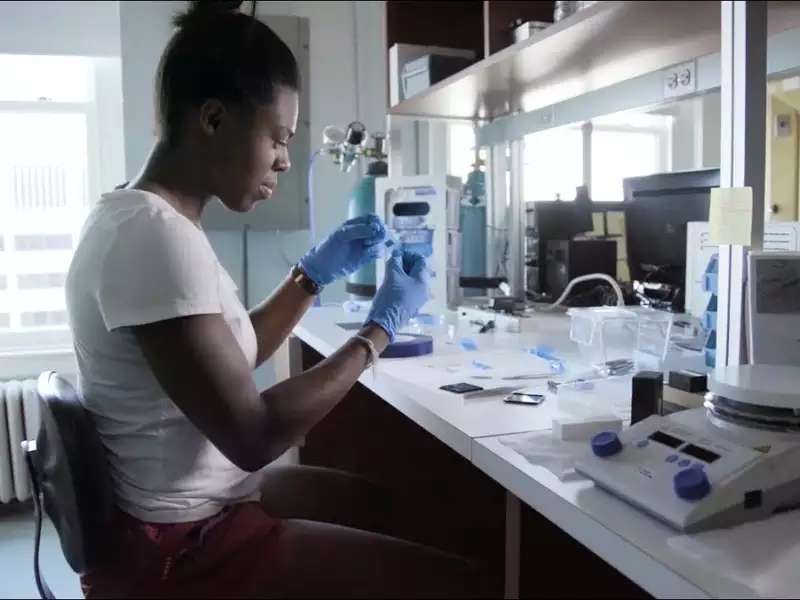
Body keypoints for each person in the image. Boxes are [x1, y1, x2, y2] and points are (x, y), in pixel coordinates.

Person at [65, 1, 485, 598]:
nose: (286, 160)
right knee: (459, 582)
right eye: (277, 138)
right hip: (180, 552)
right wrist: (379, 332)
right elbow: (255, 435)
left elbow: (227, 361)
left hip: (201, 506)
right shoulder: (152, 238)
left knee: (387, 504)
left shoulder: (140, 219)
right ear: (213, 119)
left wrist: (310, 277)